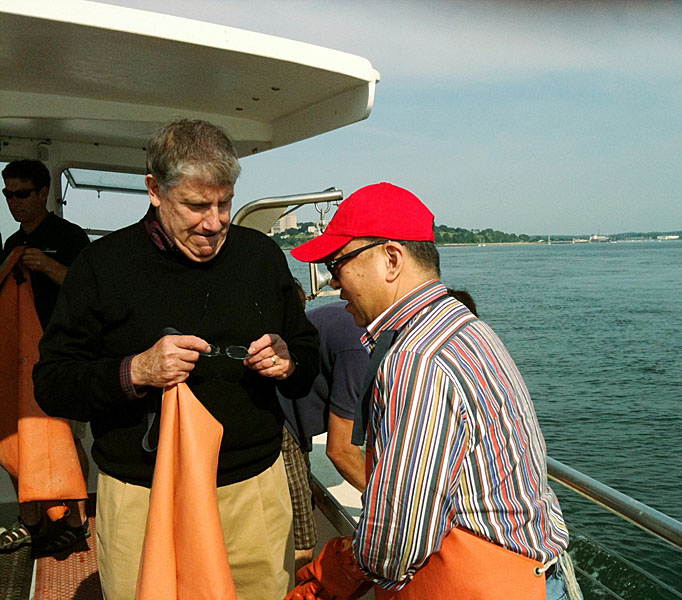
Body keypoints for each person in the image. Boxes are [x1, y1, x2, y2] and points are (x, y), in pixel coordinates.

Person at [33, 119, 319, 600]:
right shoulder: (101, 265)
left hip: (251, 491)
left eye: (224, 203)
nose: (214, 222)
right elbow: (53, 382)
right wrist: (135, 371)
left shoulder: (263, 256)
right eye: (195, 205)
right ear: (154, 190)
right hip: (144, 496)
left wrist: (289, 362)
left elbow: (307, 354)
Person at [287, 182, 581, 600]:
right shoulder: (466, 328)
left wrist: (328, 575)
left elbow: (398, 538)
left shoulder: (416, 359)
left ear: (391, 259)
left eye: (337, 265)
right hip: (534, 575)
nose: (335, 284)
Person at [1, 159, 91, 554]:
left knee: (66, 439)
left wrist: (49, 266)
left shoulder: (71, 237)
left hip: (66, 357)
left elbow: (90, 292)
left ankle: (77, 521)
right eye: (8, 195)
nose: (14, 203)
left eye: (22, 194)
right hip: (21, 360)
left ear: (43, 194)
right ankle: (30, 521)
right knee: (21, 438)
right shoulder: (10, 245)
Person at [281, 279, 369, 573]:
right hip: (281, 420)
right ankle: (301, 590)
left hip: (290, 409)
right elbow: (340, 451)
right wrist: (389, 500)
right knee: (302, 530)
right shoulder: (358, 349)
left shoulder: (358, 323)